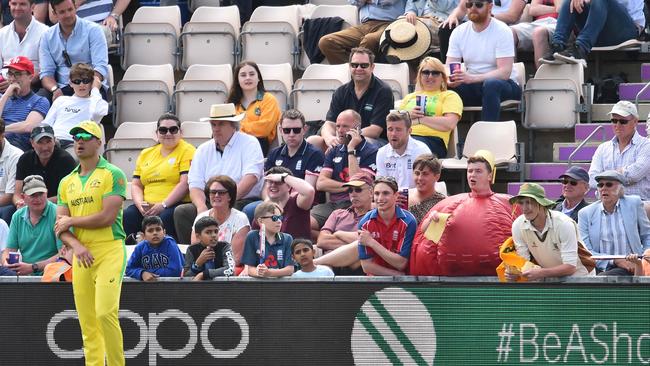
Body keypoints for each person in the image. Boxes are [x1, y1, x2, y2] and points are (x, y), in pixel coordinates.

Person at [55, 120, 127, 366]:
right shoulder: (67, 181)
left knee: (106, 313)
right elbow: (60, 228)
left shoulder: (113, 174)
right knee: (87, 322)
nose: (80, 141)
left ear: (99, 143)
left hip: (109, 249)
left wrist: (71, 221)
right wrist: (76, 246)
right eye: (76, 137)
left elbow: (106, 218)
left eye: (86, 136)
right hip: (81, 253)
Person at [410, 150, 519, 275]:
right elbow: (425, 238)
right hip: (452, 276)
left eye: (478, 171)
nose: (472, 175)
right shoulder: (448, 205)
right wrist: (430, 219)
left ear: (490, 175)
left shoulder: (509, 204)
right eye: (470, 171)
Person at [174, 103, 263, 244]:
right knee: (182, 212)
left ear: (234, 125)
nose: (216, 129)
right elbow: (195, 183)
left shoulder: (249, 143)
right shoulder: (203, 149)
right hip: (211, 200)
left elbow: (251, 178)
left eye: (221, 124)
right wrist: (201, 207)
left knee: (240, 211)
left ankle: (231, 257)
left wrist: (227, 200)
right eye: (213, 125)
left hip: (239, 199)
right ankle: (192, 257)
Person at [446, 0, 522, 122]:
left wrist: (471, 78)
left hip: (505, 85)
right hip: (474, 86)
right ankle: (441, 136)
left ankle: (487, 135)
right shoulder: (458, 32)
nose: (473, 8)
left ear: (490, 7)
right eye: (469, 5)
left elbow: (504, 72)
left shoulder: (502, 30)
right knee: (440, 85)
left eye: (479, 5)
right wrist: (450, 79)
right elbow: (449, 67)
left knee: (491, 84)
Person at [124, 113, 195, 241]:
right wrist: (140, 204)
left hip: (173, 204)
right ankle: (133, 254)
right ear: (157, 133)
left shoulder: (187, 150)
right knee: (129, 214)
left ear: (181, 132)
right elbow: (136, 184)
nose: (168, 134)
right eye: (163, 130)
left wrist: (163, 204)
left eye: (173, 129)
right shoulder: (146, 153)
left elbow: (185, 183)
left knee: (165, 217)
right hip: (148, 206)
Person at [6, 63, 108, 150]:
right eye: (77, 81)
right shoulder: (61, 100)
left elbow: (97, 113)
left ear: (91, 82)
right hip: (52, 142)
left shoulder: (96, 102)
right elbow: (46, 124)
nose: (81, 85)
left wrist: (95, 89)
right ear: (70, 83)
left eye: (86, 81)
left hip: (75, 143)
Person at [308, 48, 393, 150]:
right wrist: (329, 138)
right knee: (312, 141)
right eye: (354, 65)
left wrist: (347, 136)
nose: (359, 68)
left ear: (372, 67)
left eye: (364, 65)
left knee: (362, 141)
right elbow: (329, 123)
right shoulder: (341, 91)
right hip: (342, 137)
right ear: (349, 66)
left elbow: (375, 130)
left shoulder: (383, 91)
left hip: (373, 141)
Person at [507, 183, 593, 281]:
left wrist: (541, 273)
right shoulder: (518, 225)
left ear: (541, 203)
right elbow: (524, 262)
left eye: (529, 202)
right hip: (547, 279)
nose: (524, 208)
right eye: (521, 203)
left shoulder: (563, 224)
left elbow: (570, 267)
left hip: (581, 279)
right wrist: (516, 273)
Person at [310, 109, 378, 234]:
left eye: (345, 126)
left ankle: (336, 241)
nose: (340, 130)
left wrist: (351, 149)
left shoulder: (371, 151)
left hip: (356, 204)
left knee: (350, 229)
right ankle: (332, 240)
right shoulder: (334, 150)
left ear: (357, 128)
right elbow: (321, 184)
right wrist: (348, 186)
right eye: (338, 126)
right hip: (333, 204)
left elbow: (359, 182)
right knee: (306, 224)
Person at [578, 170, 650, 276]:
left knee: (603, 279)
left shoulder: (634, 203)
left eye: (609, 184)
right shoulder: (585, 213)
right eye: (600, 185)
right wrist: (615, 260)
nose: (603, 188)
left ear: (620, 189)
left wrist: (641, 260)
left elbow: (647, 235)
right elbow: (586, 250)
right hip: (599, 267)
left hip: (631, 267)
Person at [39, 0, 109, 101]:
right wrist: (55, 89)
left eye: (70, 9)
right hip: (61, 87)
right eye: (62, 12)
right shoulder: (47, 36)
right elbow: (46, 73)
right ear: (54, 14)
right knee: (41, 99)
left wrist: (84, 86)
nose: (68, 15)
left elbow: (100, 67)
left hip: (89, 84)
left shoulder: (94, 30)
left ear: (75, 7)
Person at [541, 0, 644, 64]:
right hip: (597, 31)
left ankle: (580, 49)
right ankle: (557, 46)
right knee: (571, 1)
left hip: (626, 31)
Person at [398, 56, 462, 158]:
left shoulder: (449, 95)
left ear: (443, 77)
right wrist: (408, 115)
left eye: (435, 73)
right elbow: (395, 122)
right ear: (420, 76)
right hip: (403, 138)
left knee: (410, 147)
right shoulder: (409, 97)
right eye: (426, 72)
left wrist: (420, 120)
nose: (430, 76)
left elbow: (450, 123)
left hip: (433, 140)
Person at [588, 101, 650, 201]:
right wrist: (621, 173)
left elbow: (634, 175)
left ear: (635, 122)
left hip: (637, 205)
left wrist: (604, 178)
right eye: (614, 120)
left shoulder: (647, 145)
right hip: (606, 205)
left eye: (623, 121)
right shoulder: (603, 148)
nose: (617, 124)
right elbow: (591, 179)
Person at [0, 174, 59, 276]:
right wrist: (7, 263)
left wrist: (33, 267)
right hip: (26, 275)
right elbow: (9, 251)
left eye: (41, 193)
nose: (37, 198)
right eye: (33, 195)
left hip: (54, 274)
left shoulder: (57, 213)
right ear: (23, 197)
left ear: (46, 193)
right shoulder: (17, 216)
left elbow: (65, 255)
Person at [358, 176, 417, 275]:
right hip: (376, 280)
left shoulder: (409, 221)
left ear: (396, 195)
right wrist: (395, 275)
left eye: (386, 193)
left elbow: (401, 263)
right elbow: (366, 266)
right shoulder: (365, 223)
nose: (380, 198)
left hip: (402, 283)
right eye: (377, 193)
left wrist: (371, 242)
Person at [318, 0, 406, 64]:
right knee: (326, 42)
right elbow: (352, 1)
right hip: (364, 25)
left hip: (389, 24)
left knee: (369, 40)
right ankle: (353, 75)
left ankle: (361, 75)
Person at [438, 0, 526, 63]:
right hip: (475, 21)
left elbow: (512, 16)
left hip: (502, 24)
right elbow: (462, 8)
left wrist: (485, 17)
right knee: (447, 28)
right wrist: (453, 16)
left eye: (479, 4)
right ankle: (449, 74)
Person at [191, 175, 250, 268]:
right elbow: (195, 252)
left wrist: (209, 273)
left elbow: (236, 259)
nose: (216, 195)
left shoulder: (240, 219)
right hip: (203, 267)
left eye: (221, 192)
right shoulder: (201, 218)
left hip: (228, 271)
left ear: (230, 196)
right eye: (213, 192)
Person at [14, 123, 76, 207]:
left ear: (54, 141)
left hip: (58, 207)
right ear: (32, 143)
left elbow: (69, 195)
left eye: (48, 141)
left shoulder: (66, 160)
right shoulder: (25, 159)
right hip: (29, 206)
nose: (45, 147)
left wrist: (36, 203)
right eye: (40, 142)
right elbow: (17, 194)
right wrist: (19, 203)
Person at [245, 167, 315, 240]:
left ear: (289, 186)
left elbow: (309, 191)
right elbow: (255, 241)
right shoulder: (262, 210)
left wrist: (284, 177)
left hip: (297, 250)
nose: (273, 185)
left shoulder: (297, 203)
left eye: (278, 182)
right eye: (270, 182)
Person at [227, 61, 281, 156]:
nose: (248, 77)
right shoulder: (232, 103)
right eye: (243, 75)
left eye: (252, 74)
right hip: (234, 144)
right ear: (237, 80)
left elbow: (264, 129)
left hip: (259, 144)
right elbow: (226, 128)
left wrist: (238, 126)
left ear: (258, 78)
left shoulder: (268, 99)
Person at [264, 109, 324, 189]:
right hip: (275, 198)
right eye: (287, 130)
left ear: (304, 130)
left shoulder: (315, 155)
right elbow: (266, 185)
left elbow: (308, 190)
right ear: (281, 131)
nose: (291, 134)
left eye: (296, 130)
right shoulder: (274, 153)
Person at [0, 56, 50, 151]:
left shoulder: (40, 101)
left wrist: (2, 130)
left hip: (16, 144)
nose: (12, 78)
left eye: (17, 74)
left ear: (30, 77)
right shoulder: (3, 98)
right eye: (10, 74)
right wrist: (6, 95)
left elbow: (29, 126)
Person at [0, 0, 48, 92]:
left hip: (33, 88)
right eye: (14, 4)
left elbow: (45, 69)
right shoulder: (2, 34)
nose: (17, 8)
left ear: (33, 7)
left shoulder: (45, 32)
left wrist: (15, 83)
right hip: (3, 87)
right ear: (9, 4)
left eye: (22, 4)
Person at [376, 110, 431, 189]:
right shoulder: (382, 153)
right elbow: (381, 186)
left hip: (417, 198)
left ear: (409, 131)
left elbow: (427, 185)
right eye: (390, 129)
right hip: (392, 199)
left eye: (398, 130)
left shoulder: (421, 151)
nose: (393, 134)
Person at [240, 201, 294, 278]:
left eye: (280, 218)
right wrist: (259, 272)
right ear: (260, 221)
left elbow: (290, 269)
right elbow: (249, 268)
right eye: (274, 218)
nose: (279, 221)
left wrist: (269, 273)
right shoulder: (252, 236)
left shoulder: (287, 239)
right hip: (259, 286)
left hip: (281, 285)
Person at [125, 215, 184, 281]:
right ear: (144, 236)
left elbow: (176, 271)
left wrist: (150, 273)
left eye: (158, 229)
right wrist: (142, 273)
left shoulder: (170, 244)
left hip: (171, 285)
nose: (155, 233)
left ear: (164, 232)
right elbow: (128, 269)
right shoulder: (140, 247)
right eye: (150, 231)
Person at [510, 0, 560, 68]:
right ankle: (512, 76)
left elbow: (560, 8)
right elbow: (533, 10)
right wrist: (554, 9)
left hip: (560, 24)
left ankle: (542, 77)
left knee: (538, 33)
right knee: (509, 32)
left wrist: (543, 8)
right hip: (539, 23)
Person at [184, 216, 236, 280]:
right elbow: (186, 276)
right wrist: (197, 264)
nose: (214, 235)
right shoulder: (191, 249)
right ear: (198, 236)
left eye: (216, 231)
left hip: (222, 288)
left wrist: (204, 274)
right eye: (208, 232)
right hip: (199, 289)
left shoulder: (224, 246)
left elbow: (230, 270)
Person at [407, 153, 446, 223]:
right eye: (417, 173)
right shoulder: (403, 197)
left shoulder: (443, 203)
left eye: (425, 174)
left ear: (437, 177)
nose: (420, 178)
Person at [0, 117, 24, 223]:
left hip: (5, 205)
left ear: (2, 135)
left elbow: (9, 196)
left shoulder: (16, 156)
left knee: (7, 211)